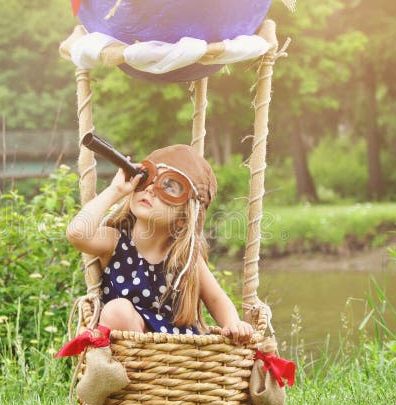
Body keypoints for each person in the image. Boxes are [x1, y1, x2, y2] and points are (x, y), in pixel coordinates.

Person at [65, 143, 254, 342]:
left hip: (175, 349)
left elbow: (216, 299)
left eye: (169, 186)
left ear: (183, 217)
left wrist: (232, 322)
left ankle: (160, 367)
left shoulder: (184, 257)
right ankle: (136, 367)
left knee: (118, 311)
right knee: (117, 311)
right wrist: (116, 190)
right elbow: (77, 233)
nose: (151, 190)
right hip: (128, 349)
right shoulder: (115, 241)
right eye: (147, 180)